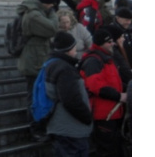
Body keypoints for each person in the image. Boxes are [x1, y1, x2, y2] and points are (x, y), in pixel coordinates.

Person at [17, 0, 59, 140]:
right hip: (33, 62)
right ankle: (36, 128)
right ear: (48, 3)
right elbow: (53, 28)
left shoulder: (37, 11)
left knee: (38, 95)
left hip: (37, 59)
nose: (53, 7)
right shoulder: (34, 15)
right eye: (52, 4)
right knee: (34, 97)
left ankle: (40, 127)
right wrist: (53, 13)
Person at [45, 31, 93, 156]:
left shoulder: (53, 64)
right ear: (69, 49)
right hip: (70, 129)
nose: (77, 50)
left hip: (63, 127)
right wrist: (87, 117)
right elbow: (71, 100)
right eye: (75, 47)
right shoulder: (65, 69)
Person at [81, 29, 127, 157]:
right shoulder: (94, 61)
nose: (112, 44)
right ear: (101, 43)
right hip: (103, 114)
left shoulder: (105, 58)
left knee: (115, 147)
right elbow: (96, 87)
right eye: (109, 42)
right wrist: (119, 95)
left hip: (112, 113)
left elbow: (113, 81)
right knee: (107, 150)